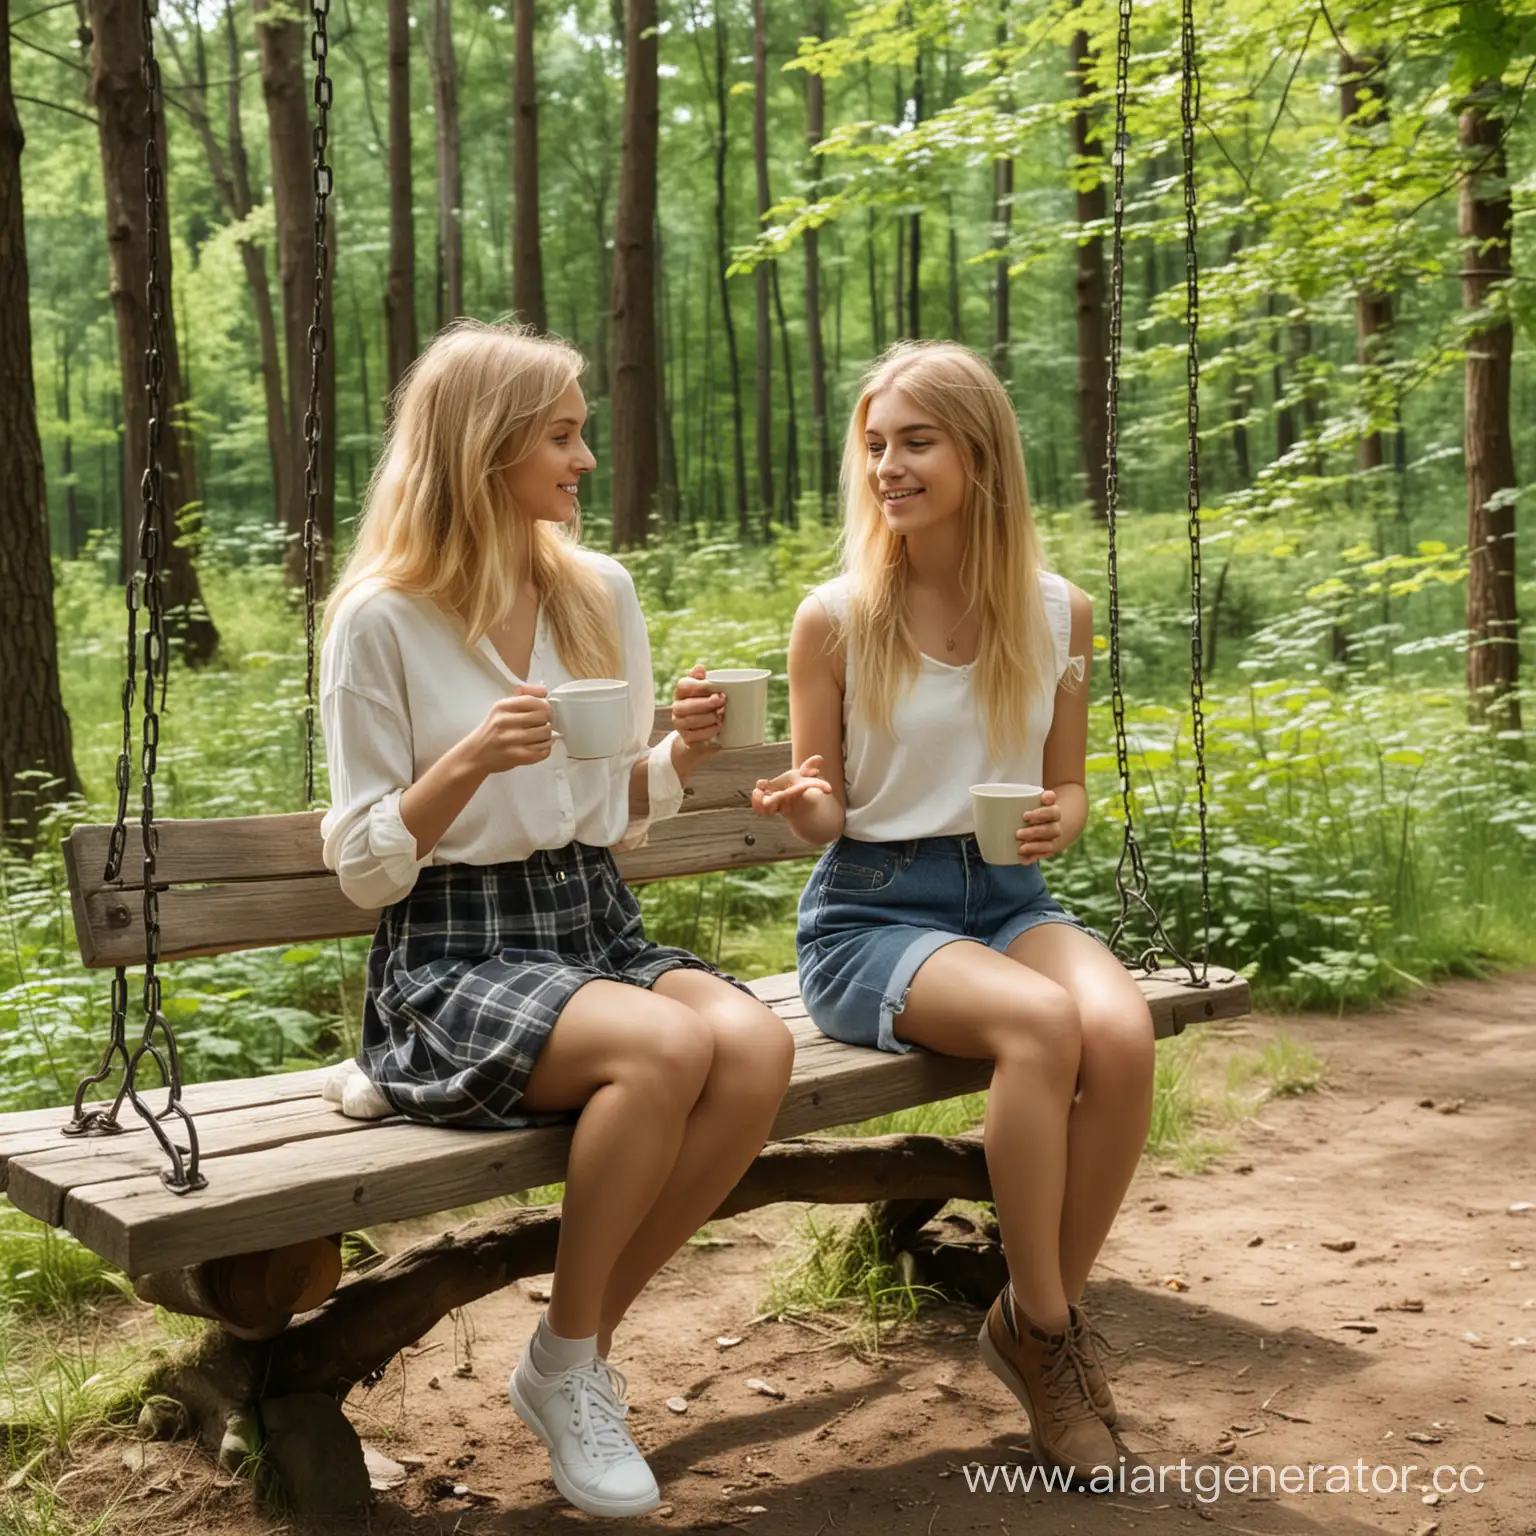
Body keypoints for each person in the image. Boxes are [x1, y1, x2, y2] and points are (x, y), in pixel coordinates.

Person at [319, 320, 795, 1520]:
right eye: (563, 436)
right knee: (669, 1046)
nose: (586, 461)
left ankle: (566, 1358)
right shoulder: (382, 620)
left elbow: (609, 815)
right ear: (485, 450)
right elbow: (366, 871)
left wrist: (673, 754)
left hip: (588, 918)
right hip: (451, 945)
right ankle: (577, 1366)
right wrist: (468, 761)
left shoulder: (600, 592)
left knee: (754, 1049)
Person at [753, 340, 1153, 1486]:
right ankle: (1052, 1338)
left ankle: (1032, 1329)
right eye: (875, 444)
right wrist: (804, 804)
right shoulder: (835, 616)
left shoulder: (1059, 611)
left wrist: (1060, 821)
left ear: (981, 455)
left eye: (916, 442)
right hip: (873, 916)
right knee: (1042, 1028)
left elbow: (1068, 782)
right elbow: (826, 800)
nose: (888, 465)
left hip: (1008, 897)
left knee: (1119, 1036)